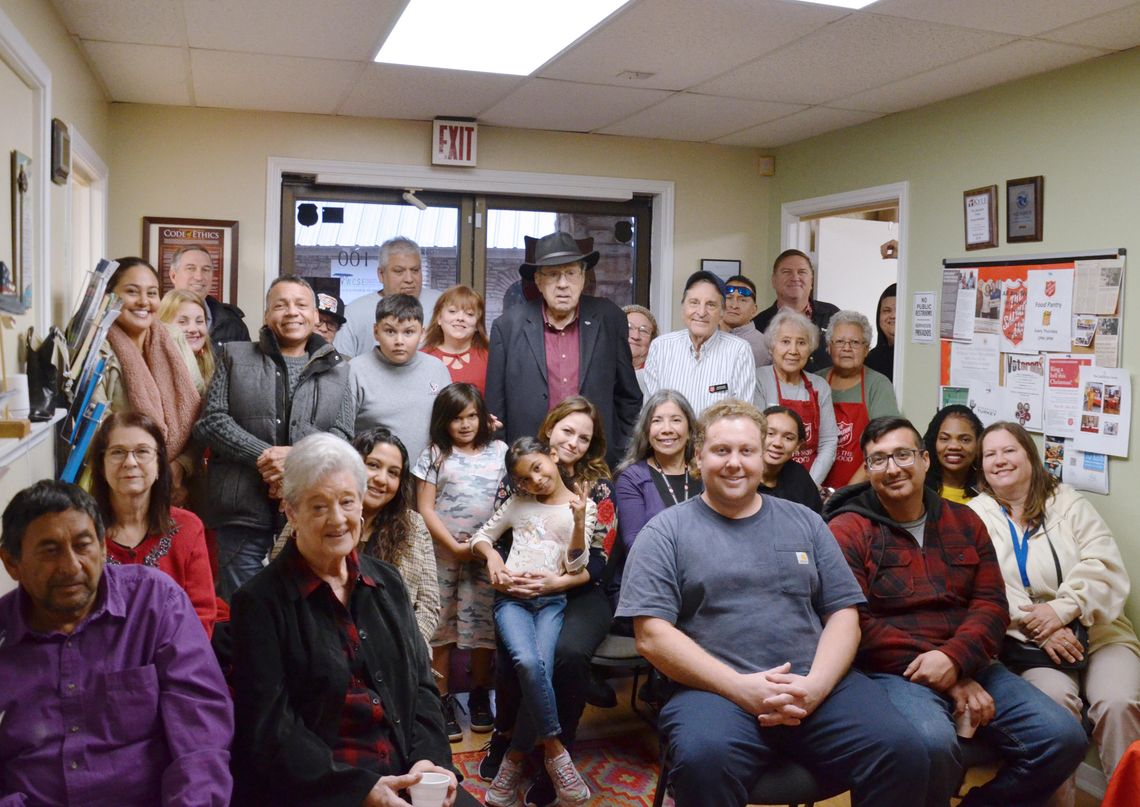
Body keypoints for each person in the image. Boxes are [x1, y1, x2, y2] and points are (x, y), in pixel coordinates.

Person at [616, 399, 927, 807]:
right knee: (703, 760)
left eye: (746, 451)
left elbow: (843, 615)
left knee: (905, 749)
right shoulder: (665, 532)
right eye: (721, 451)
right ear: (697, 457)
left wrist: (816, 686)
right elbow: (651, 636)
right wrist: (741, 689)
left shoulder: (806, 521)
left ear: (764, 458)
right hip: (714, 692)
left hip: (816, 685)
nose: (734, 463)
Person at [825, 416, 1088, 807]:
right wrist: (947, 675)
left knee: (1063, 739)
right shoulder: (848, 530)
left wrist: (955, 660)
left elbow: (991, 605)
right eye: (878, 460)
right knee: (929, 743)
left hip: (973, 662)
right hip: (893, 670)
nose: (893, 468)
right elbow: (855, 622)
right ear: (868, 468)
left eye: (902, 455)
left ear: (925, 460)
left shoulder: (964, 520)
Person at [229, 434, 473, 807]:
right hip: (325, 786)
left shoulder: (387, 582)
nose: (338, 519)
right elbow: (271, 729)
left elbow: (421, 686)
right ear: (291, 512)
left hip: (407, 769)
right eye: (318, 506)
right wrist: (361, 790)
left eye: (347, 501)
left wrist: (430, 760)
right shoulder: (259, 603)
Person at [0, 480, 234, 805]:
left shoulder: (155, 604)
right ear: (12, 563)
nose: (71, 566)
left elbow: (201, 736)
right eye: (49, 551)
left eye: (83, 546)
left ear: (104, 548)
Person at [970, 422, 1140, 807]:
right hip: (1028, 641)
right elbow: (986, 584)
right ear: (981, 468)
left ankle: (1126, 798)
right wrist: (1040, 626)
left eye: (1009, 450)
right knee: (1055, 710)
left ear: (1029, 456)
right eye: (990, 454)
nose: (1000, 460)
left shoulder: (1068, 502)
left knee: (1118, 702)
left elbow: (1105, 565)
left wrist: (1062, 610)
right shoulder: (975, 515)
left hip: (1100, 630)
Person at [481, 396, 618, 805]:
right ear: (550, 433)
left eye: (584, 437)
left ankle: (549, 753)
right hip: (524, 586)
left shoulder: (599, 487)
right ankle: (505, 736)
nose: (575, 442)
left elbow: (599, 561)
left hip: (581, 590)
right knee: (515, 655)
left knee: (568, 654)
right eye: (567, 431)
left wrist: (554, 584)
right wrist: (500, 568)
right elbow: (502, 536)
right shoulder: (519, 476)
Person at [195, 275, 354, 598]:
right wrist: (265, 456)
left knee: (300, 604)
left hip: (308, 510)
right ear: (267, 315)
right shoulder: (234, 356)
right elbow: (211, 421)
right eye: (280, 305)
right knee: (242, 606)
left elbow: (342, 436)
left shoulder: (340, 369)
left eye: (300, 304)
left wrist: (294, 462)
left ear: (314, 315)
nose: (291, 312)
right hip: (240, 506)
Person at [269, 428, 441, 652]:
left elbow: (428, 605)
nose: (381, 479)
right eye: (373, 465)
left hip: (395, 651)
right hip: (318, 648)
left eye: (393, 473)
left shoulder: (414, 526)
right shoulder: (313, 513)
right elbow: (278, 573)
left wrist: (404, 649)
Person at [486, 230, 641, 469]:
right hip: (529, 463)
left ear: (583, 278)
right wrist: (507, 463)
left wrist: (620, 452)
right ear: (538, 280)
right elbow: (496, 409)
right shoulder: (507, 327)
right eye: (553, 275)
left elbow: (628, 397)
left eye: (570, 273)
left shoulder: (609, 318)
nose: (563, 284)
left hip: (595, 463)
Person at [413, 384, 507, 741]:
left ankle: (480, 694)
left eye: (472, 416)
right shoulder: (436, 453)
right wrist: (452, 545)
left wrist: (483, 544)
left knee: (483, 626)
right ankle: (442, 698)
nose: (466, 425)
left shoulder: (499, 451)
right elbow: (424, 507)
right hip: (442, 554)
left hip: (486, 556)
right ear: (444, 422)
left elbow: (508, 501)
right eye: (457, 418)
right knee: (443, 626)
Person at [90, 412, 218, 636]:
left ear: (160, 464)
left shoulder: (188, 527)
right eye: (117, 452)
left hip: (175, 662)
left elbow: (202, 614)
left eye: (142, 452)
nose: (130, 462)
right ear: (101, 465)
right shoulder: (83, 533)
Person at [95, 258, 202, 505]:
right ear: (109, 296)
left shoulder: (173, 338)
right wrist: (151, 468)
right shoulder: (99, 348)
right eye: (132, 292)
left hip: (182, 483)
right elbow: (99, 426)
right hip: (123, 484)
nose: (144, 302)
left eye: (152, 293)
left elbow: (201, 409)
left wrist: (181, 466)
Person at [608, 389, 703, 620]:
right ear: (646, 431)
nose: (667, 429)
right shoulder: (632, 477)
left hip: (701, 583)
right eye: (657, 421)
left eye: (676, 420)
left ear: (690, 430)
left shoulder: (706, 475)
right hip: (647, 588)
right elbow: (635, 543)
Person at [349, 293, 452, 466]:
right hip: (374, 479)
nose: (399, 341)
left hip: (428, 479)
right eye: (390, 331)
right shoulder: (355, 371)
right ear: (376, 332)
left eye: (409, 332)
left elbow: (450, 422)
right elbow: (341, 435)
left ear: (422, 333)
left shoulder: (437, 369)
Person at [643, 270, 755, 414]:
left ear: (722, 312)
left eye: (711, 304)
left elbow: (743, 417)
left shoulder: (739, 351)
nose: (701, 312)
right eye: (694, 302)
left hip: (718, 437)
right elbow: (651, 415)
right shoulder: (661, 347)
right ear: (683, 307)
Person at [755, 309, 837, 485]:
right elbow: (755, 437)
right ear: (771, 346)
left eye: (801, 342)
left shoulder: (819, 386)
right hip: (765, 481)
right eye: (785, 341)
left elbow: (828, 442)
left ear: (811, 349)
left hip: (808, 479)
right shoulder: (758, 379)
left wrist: (808, 485)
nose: (793, 350)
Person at [819, 310, 899, 489]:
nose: (846, 348)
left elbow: (884, 443)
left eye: (855, 342)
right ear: (828, 347)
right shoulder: (816, 382)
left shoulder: (877, 384)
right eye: (839, 342)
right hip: (816, 488)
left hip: (862, 490)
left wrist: (847, 493)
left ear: (866, 349)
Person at [335, 236, 442, 357]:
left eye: (415, 270)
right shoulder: (354, 313)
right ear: (381, 274)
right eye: (399, 271)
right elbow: (340, 365)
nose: (409, 279)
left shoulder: (441, 305)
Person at [752, 249, 839, 373]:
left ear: (812, 281)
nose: (795, 277)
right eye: (786, 272)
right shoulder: (759, 325)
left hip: (829, 391)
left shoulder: (833, 316)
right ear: (774, 280)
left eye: (802, 272)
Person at [167, 244, 250, 344]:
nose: (199, 277)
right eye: (190, 268)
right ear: (173, 276)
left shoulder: (232, 323)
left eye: (206, 269)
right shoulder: (155, 318)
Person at [422, 285, 491, 395]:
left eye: (469, 314)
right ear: (439, 318)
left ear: (478, 324)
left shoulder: (490, 358)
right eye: (452, 311)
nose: (460, 318)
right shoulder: (422, 359)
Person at [759, 405, 823, 512]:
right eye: (770, 433)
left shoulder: (799, 476)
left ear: (798, 445)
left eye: (788, 438)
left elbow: (816, 521)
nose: (777, 443)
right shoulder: (740, 475)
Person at [923, 404, 984, 504]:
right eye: (944, 439)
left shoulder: (988, 495)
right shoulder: (919, 492)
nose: (954, 446)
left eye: (965, 440)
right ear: (933, 443)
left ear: (978, 445)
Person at [158, 287, 216, 391]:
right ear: (164, 324)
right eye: (183, 322)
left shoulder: (211, 365)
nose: (193, 329)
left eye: (199, 321)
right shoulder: (158, 368)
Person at [721, 274, 771, 367]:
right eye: (728, 298)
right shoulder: (705, 336)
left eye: (742, 300)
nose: (734, 305)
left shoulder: (763, 345)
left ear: (754, 310)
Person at [623, 303, 657, 393]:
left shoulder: (658, 375)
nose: (636, 336)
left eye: (644, 330)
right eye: (629, 327)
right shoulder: (602, 370)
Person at [864, 283, 896, 380]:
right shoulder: (869, 360)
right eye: (887, 310)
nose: (893, 315)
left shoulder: (918, 355)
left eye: (899, 310)